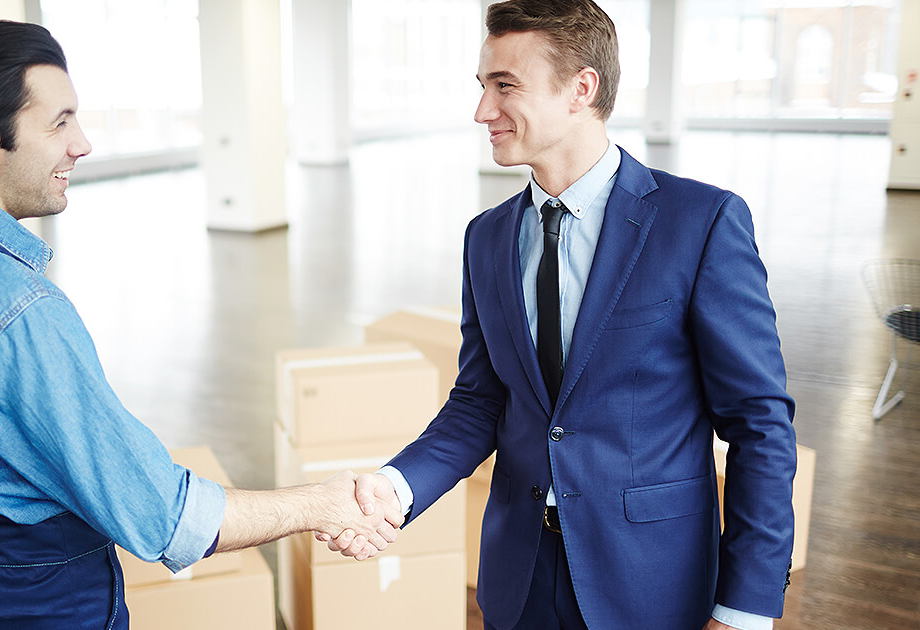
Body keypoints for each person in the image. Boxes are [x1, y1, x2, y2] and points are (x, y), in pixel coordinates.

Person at [0, 20, 400, 629]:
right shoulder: (15, 309)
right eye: (59, 122)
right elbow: (163, 516)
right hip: (43, 609)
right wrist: (322, 503)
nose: (81, 143)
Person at [324, 1, 797, 629]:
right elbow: (479, 401)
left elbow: (758, 424)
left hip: (650, 582)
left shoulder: (701, 223)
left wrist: (744, 608)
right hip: (519, 583)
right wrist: (396, 488)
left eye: (505, 86)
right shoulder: (486, 238)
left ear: (582, 88)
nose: (482, 111)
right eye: (482, 85)